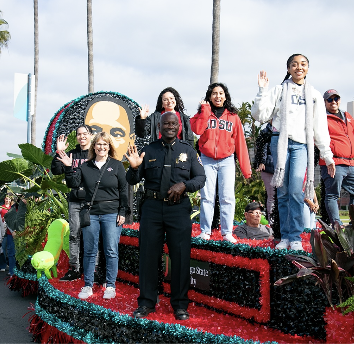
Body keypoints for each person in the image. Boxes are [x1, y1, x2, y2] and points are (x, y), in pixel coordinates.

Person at [126, 112, 205, 320]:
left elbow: (201, 178)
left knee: (180, 258)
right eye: (166, 123)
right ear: (159, 126)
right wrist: (134, 168)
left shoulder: (188, 151)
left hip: (178, 210)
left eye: (173, 123)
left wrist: (184, 185)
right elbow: (132, 179)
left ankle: (180, 305)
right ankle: (146, 303)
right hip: (152, 208)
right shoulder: (149, 150)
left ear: (178, 126)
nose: (170, 126)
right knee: (148, 257)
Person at [251, 54, 335, 251]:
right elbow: (260, 114)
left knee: (296, 191)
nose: (299, 67)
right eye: (294, 64)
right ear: (288, 69)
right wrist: (262, 90)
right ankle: (285, 237)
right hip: (279, 142)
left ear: (307, 69)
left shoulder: (314, 95)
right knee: (283, 193)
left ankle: (295, 236)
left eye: (303, 64)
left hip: (301, 146)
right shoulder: (279, 90)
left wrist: (327, 155)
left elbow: (320, 128)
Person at [57, 132, 128, 300]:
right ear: (93, 146)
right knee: (89, 250)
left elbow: (124, 190)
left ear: (109, 146)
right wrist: (68, 167)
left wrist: (123, 211)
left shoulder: (117, 165)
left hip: (112, 213)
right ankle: (88, 285)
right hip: (91, 213)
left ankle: (110, 285)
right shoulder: (85, 167)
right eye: (99, 144)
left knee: (111, 250)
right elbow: (73, 184)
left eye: (105, 144)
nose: (102, 147)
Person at [190, 83, 252, 243]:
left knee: (227, 197)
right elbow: (197, 129)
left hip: (227, 160)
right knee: (207, 197)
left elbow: (240, 143)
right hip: (207, 159)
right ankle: (205, 231)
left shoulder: (233, 117)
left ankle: (226, 233)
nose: (218, 96)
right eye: (214, 93)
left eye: (221, 93)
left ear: (226, 96)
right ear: (209, 96)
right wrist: (204, 110)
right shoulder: (203, 113)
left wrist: (246, 170)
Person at [51, 125, 93, 281]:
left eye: (85, 134)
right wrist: (59, 152)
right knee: (74, 235)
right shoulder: (72, 154)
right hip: (75, 201)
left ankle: (93, 270)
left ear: (91, 135)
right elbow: (56, 170)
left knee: (93, 236)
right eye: (79, 134)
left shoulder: (95, 153)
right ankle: (74, 268)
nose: (82, 137)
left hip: (92, 202)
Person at [320, 89, 354, 227]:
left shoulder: (348, 116)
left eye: (336, 99)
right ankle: (337, 225)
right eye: (329, 99)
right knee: (333, 194)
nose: (333, 102)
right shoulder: (321, 117)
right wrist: (328, 159)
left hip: (350, 163)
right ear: (325, 102)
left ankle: (353, 222)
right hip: (333, 162)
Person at [254, 122, 275, 224]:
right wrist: (261, 161)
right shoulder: (265, 132)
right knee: (272, 196)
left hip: (282, 167)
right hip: (269, 167)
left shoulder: (285, 129)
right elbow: (262, 149)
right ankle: (272, 222)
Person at [0, 195, 12, 273]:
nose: (7, 200)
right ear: (4, 199)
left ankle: (10, 266)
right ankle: (3, 265)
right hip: (3, 230)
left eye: (9, 199)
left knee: (10, 249)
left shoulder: (12, 208)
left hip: (10, 231)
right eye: (6, 199)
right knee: (2, 248)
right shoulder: (1, 207)